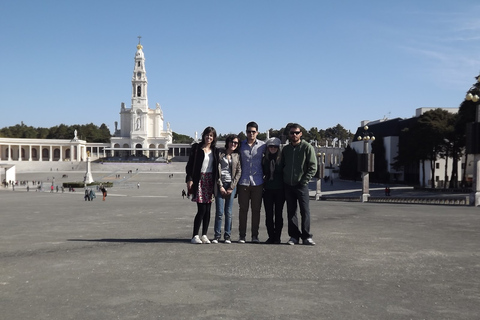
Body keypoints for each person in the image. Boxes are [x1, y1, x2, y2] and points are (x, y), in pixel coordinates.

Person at [281, 123, 317, 246]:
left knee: (305, 211)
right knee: (291, 212)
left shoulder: (307, 147)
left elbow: (313, 167)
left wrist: (304, 181)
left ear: (301, 133)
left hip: (301, 185)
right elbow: (282, 166)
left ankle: (306, 236)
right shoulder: (286, 149)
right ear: (289, 134)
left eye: (297, 132)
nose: (294, 135)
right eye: (292, 133)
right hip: (288, 185)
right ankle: (294, 236)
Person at [185, 126, 219, 244]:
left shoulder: (215, 150)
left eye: (211, 135)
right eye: (207, 135)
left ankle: (204, 234)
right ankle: (195, 235)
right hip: (199, 179)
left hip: (210, 180)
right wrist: (189, 179)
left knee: (208, 209)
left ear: (214, 138)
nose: (209, 137)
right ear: (203, 135)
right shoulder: (196, 148)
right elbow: (189, 165)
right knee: (201, 209)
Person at [237, 121, 266, 243]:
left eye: (253, 132)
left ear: (257, 132)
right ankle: (242, 235)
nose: (251, 134)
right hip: (243, 181)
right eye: (249, 131)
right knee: (243, 210)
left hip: (258, 182)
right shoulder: (240, 145)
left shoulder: (263, 146)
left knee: (256, 210)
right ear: (246, 132)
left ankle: (255, 235)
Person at [212, 134, 241, 244]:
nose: (233, 144)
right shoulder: (220, 154)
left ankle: (227, 236)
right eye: (232, 142)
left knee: (228, 212)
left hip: (231, 185)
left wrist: (232, 187)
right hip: (220, 184)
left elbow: (239, 172)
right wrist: (220, 186)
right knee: (219, 212)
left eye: (236, 143)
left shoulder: (237, 156)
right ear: (227, 142)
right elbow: (216, 171)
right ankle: (217, 235)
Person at [262, 137, 285, 244]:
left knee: (278, 214)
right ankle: (271, 236)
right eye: (270, 146)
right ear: (267, 147)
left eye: (275, 147)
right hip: (268, 190)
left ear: (278, 148)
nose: (273, 148)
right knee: (269, 214)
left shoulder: (282, 159)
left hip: (280, 189)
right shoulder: (264, 159)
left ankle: (277, 237)